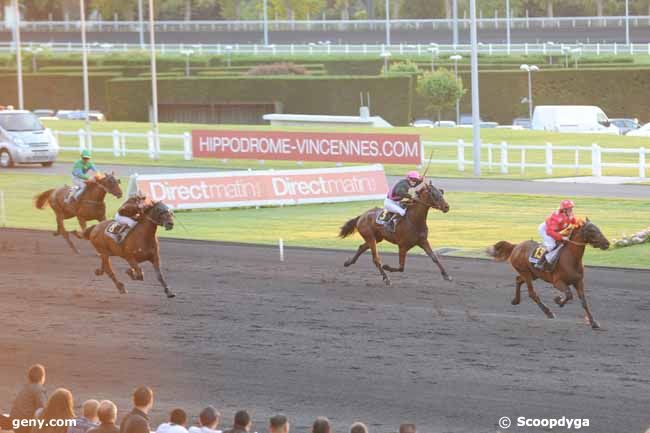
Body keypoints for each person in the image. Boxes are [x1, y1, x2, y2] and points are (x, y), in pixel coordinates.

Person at [535, 199, 579, 270]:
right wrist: (561, 237)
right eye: (569, 208)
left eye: (571, 208)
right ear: (564, 210)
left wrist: (582, 224)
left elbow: (574, 221)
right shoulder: (557, 218)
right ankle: (540, 263)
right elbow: (549, 232)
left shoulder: (569, 214)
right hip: (545, 230)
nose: (571, 210)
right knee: (552, 245)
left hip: (555, 230)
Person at [9, 364, 47, 433]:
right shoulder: (39, 389)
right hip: (25, 424)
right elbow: (42, 409)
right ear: (42, 377)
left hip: (14, 421)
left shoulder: (25, 387)